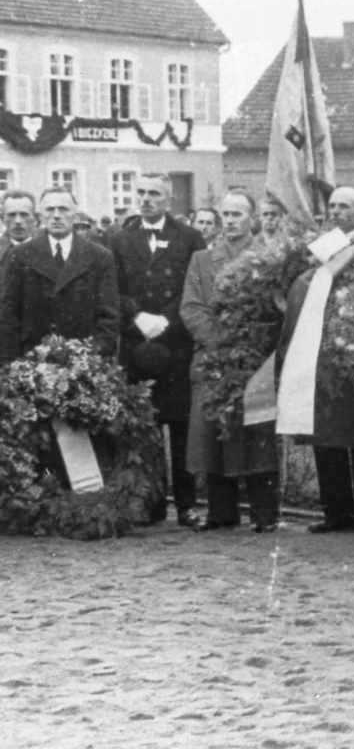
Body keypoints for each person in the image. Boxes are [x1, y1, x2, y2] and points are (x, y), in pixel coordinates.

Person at [278, 186, 354, 535]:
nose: (336, 211)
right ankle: (336, 509)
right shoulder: (322, 246)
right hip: (319, 350)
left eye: (344, 206)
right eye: (332, 206)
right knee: (326, 433)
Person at [110, 174, 207, 528]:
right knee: (142, 427)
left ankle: (186, 504)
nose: (146, 199)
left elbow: (195, 286)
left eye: (154, 194)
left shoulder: (190, 238)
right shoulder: (119, 239)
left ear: (168, 200)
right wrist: (136, 315)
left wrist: (166, 320)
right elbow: (112, 288)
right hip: (137, 343)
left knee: (180, 426)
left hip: (175, 342)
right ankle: (149, 504)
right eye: (141, 193)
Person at [180, 191, 279, 532]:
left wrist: (248, 341)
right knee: (214, 436)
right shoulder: (203, 260)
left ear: (252, 218)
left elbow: (277, 310)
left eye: (239, 214)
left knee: (256, 435)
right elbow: (191, 307)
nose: (232, 220)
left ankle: (264, 514)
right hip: (214, 358)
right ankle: (222, 512)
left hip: (254, 360)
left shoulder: (269, 259)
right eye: (227, 214)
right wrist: (219, 342)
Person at [0, 187, 119, 364]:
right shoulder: (20, 255)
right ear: (40, 215)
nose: (56, 215)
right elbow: (8, 314)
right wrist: (13, 364)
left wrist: (93, 356)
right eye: (50, 209)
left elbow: (109, 316)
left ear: (75, 215)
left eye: (63, 209)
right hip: (32, 362)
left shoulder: (99, 257)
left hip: (83, 362)